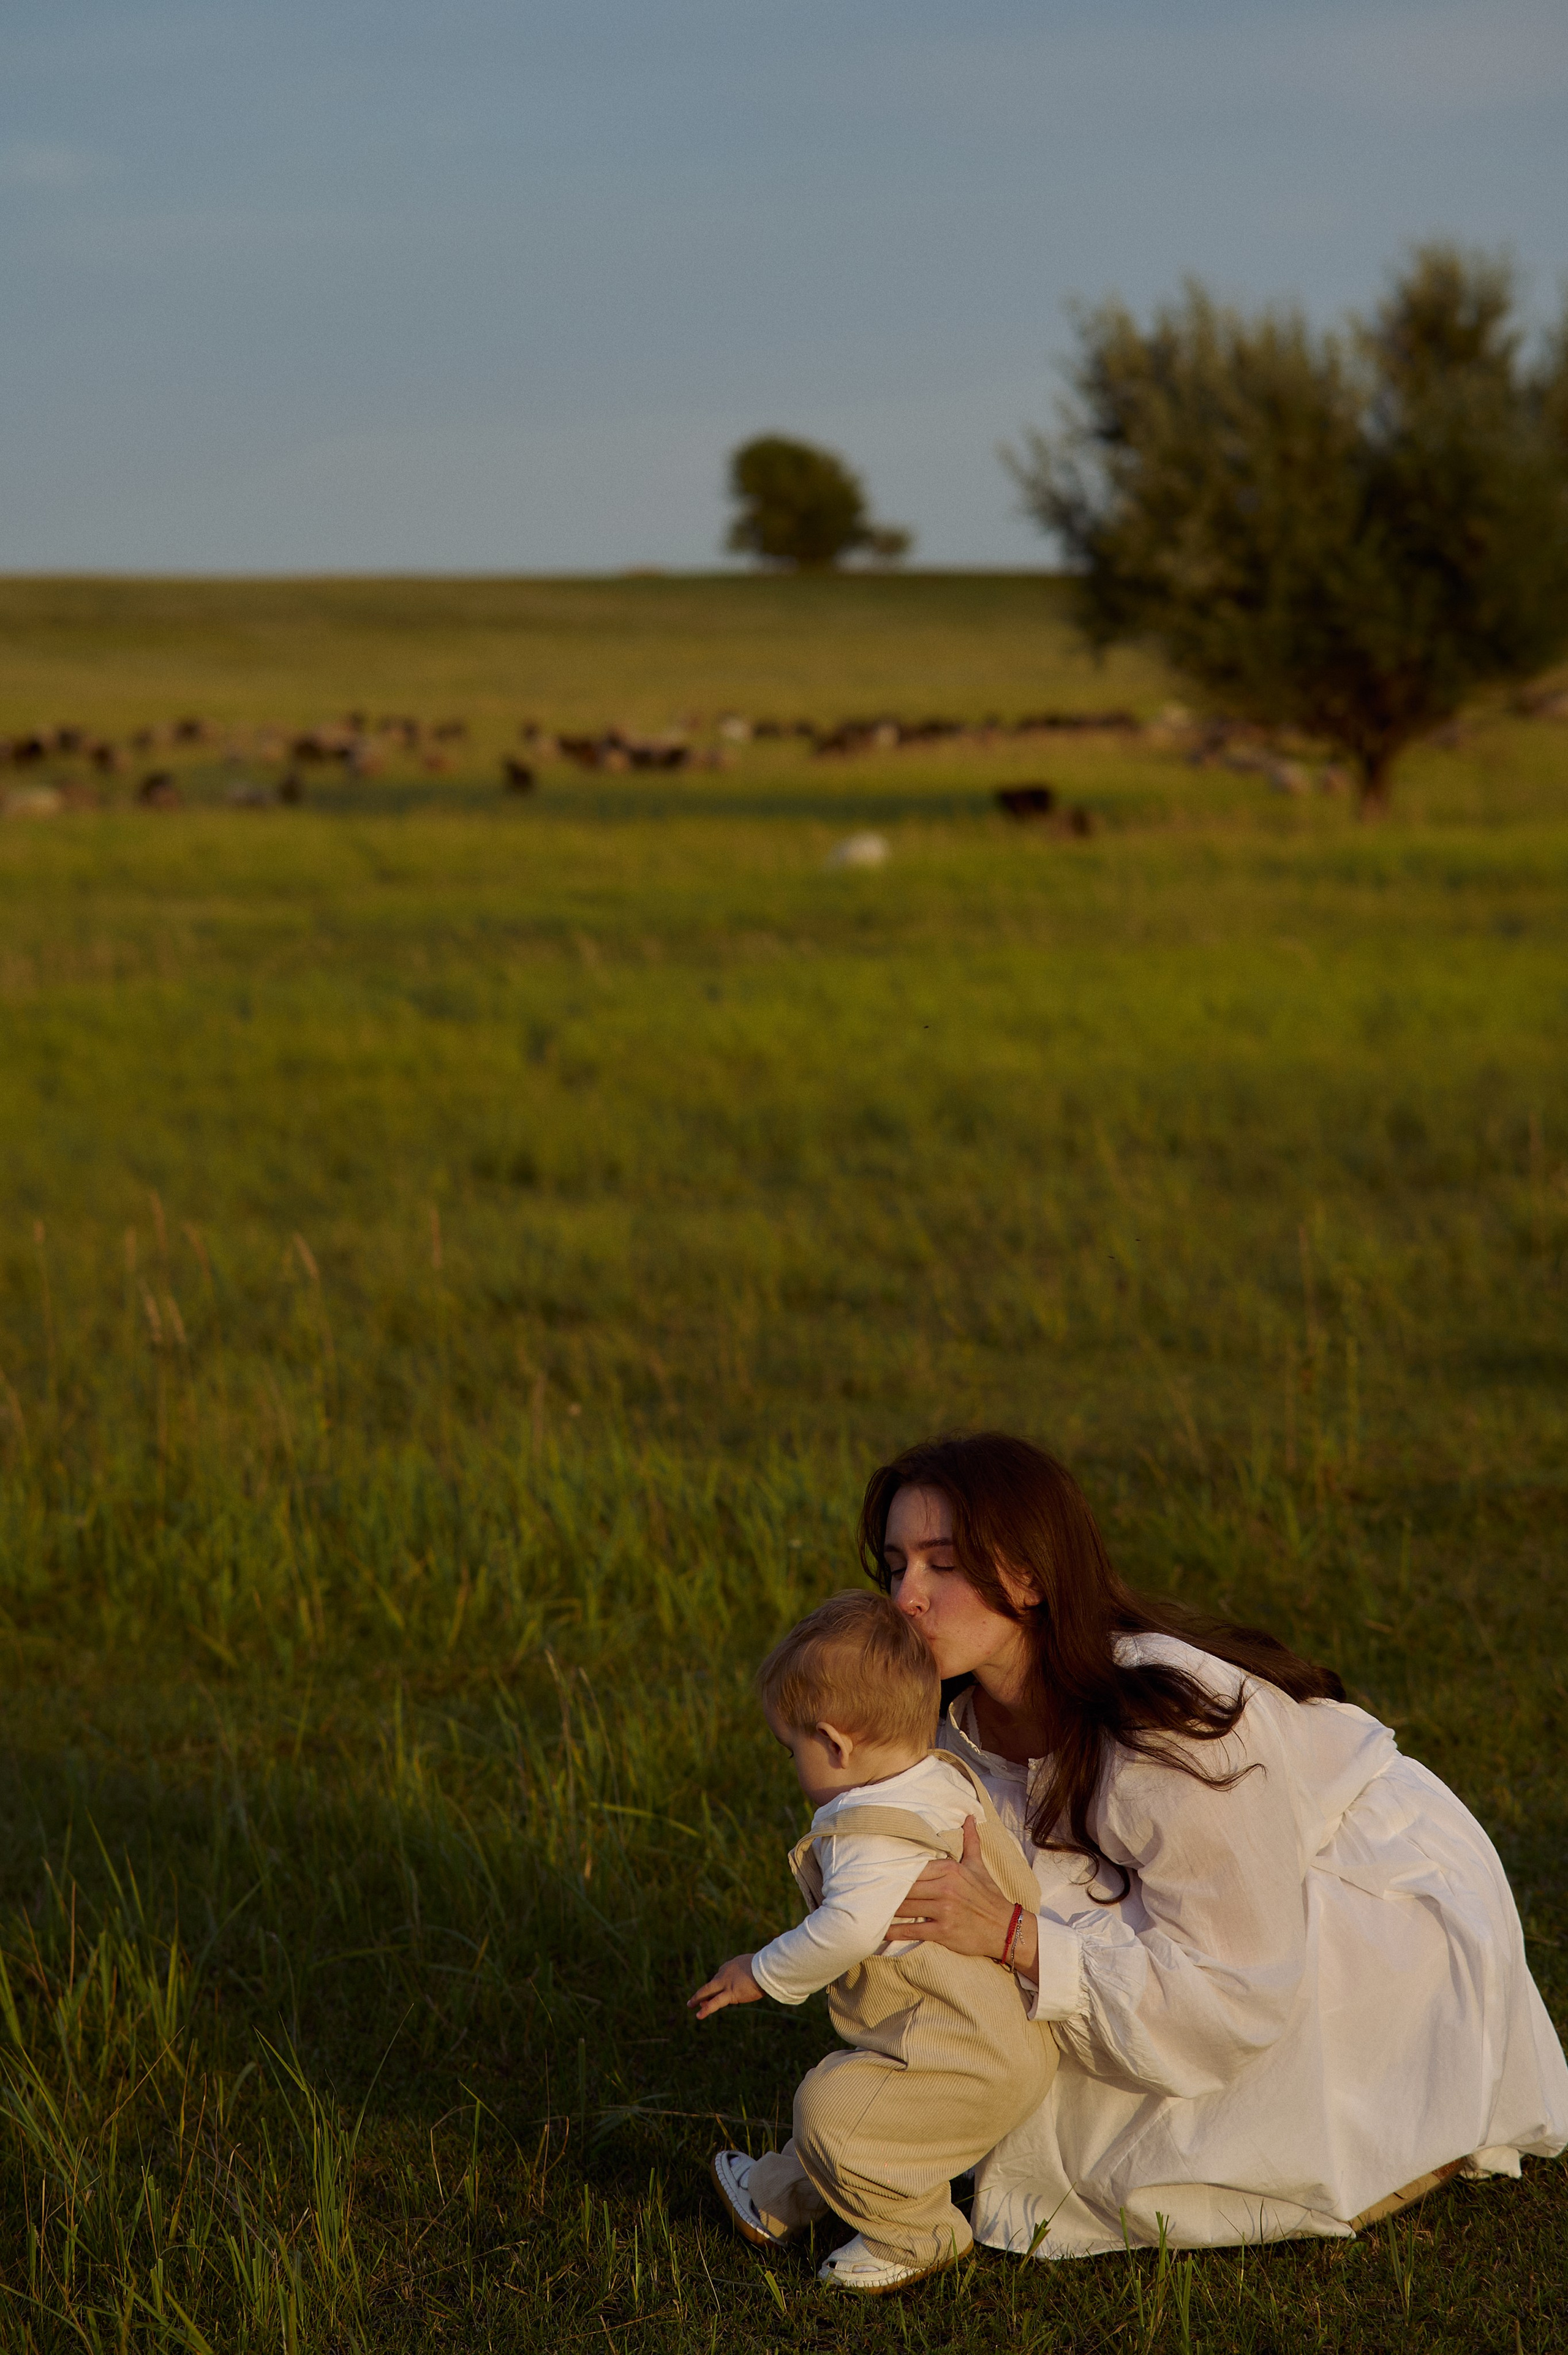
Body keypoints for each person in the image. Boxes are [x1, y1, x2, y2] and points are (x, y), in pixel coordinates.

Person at [850, 1431, 1568, 2261]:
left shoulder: (1168, 1730)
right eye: (898, 1566)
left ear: (1030, 1576)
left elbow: (1240, 1988)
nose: (908, 1596)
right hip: (1201, 1884)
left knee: (1094, 2093)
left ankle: (1406, 2114)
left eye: (943, 1566)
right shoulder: (958, 1733)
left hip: (1363, 1895)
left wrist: (1017, 1939)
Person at [688, 1591, 1058, 2291]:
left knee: (832, 2109)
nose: (791, 1761)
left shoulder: (866, 1834)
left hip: (959, 2054)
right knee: (871, 2105)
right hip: (1014, 2033)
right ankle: (774, 2195)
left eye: (789, 1745)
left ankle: (921, 2235)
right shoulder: (943, 1782)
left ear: (834, 1742)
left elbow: (850, 1927)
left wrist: (760, 1972)